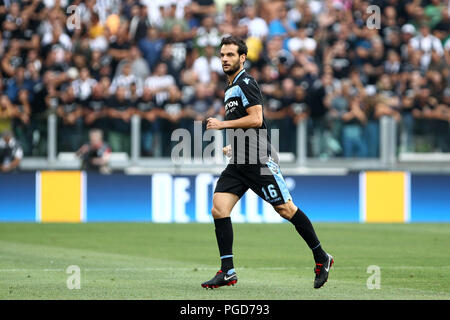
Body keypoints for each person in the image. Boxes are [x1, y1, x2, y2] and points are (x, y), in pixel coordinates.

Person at [201, 36, 333, 290]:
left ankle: (321, 257)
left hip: (259, 160)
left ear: (242, 58)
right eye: (222, 55)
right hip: (239, 161)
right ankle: (227, 270)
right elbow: (248, 124)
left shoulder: (246, 82)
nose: (225, 59)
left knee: (286, 209)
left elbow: (256, 118)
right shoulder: (230, 88)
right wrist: (233, 144)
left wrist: (222, 124)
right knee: (219, 208)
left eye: (230, 55)